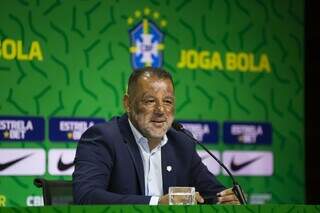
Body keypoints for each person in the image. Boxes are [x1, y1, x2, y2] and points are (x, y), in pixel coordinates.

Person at [73, 67, 240, 205]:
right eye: (150, 101)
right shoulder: (103, 138)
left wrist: (226, 199)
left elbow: (212, 193)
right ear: (127, 104)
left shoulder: (181, 143)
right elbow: (87, 196)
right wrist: (156, 203)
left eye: (167, 101)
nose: (161, 110)